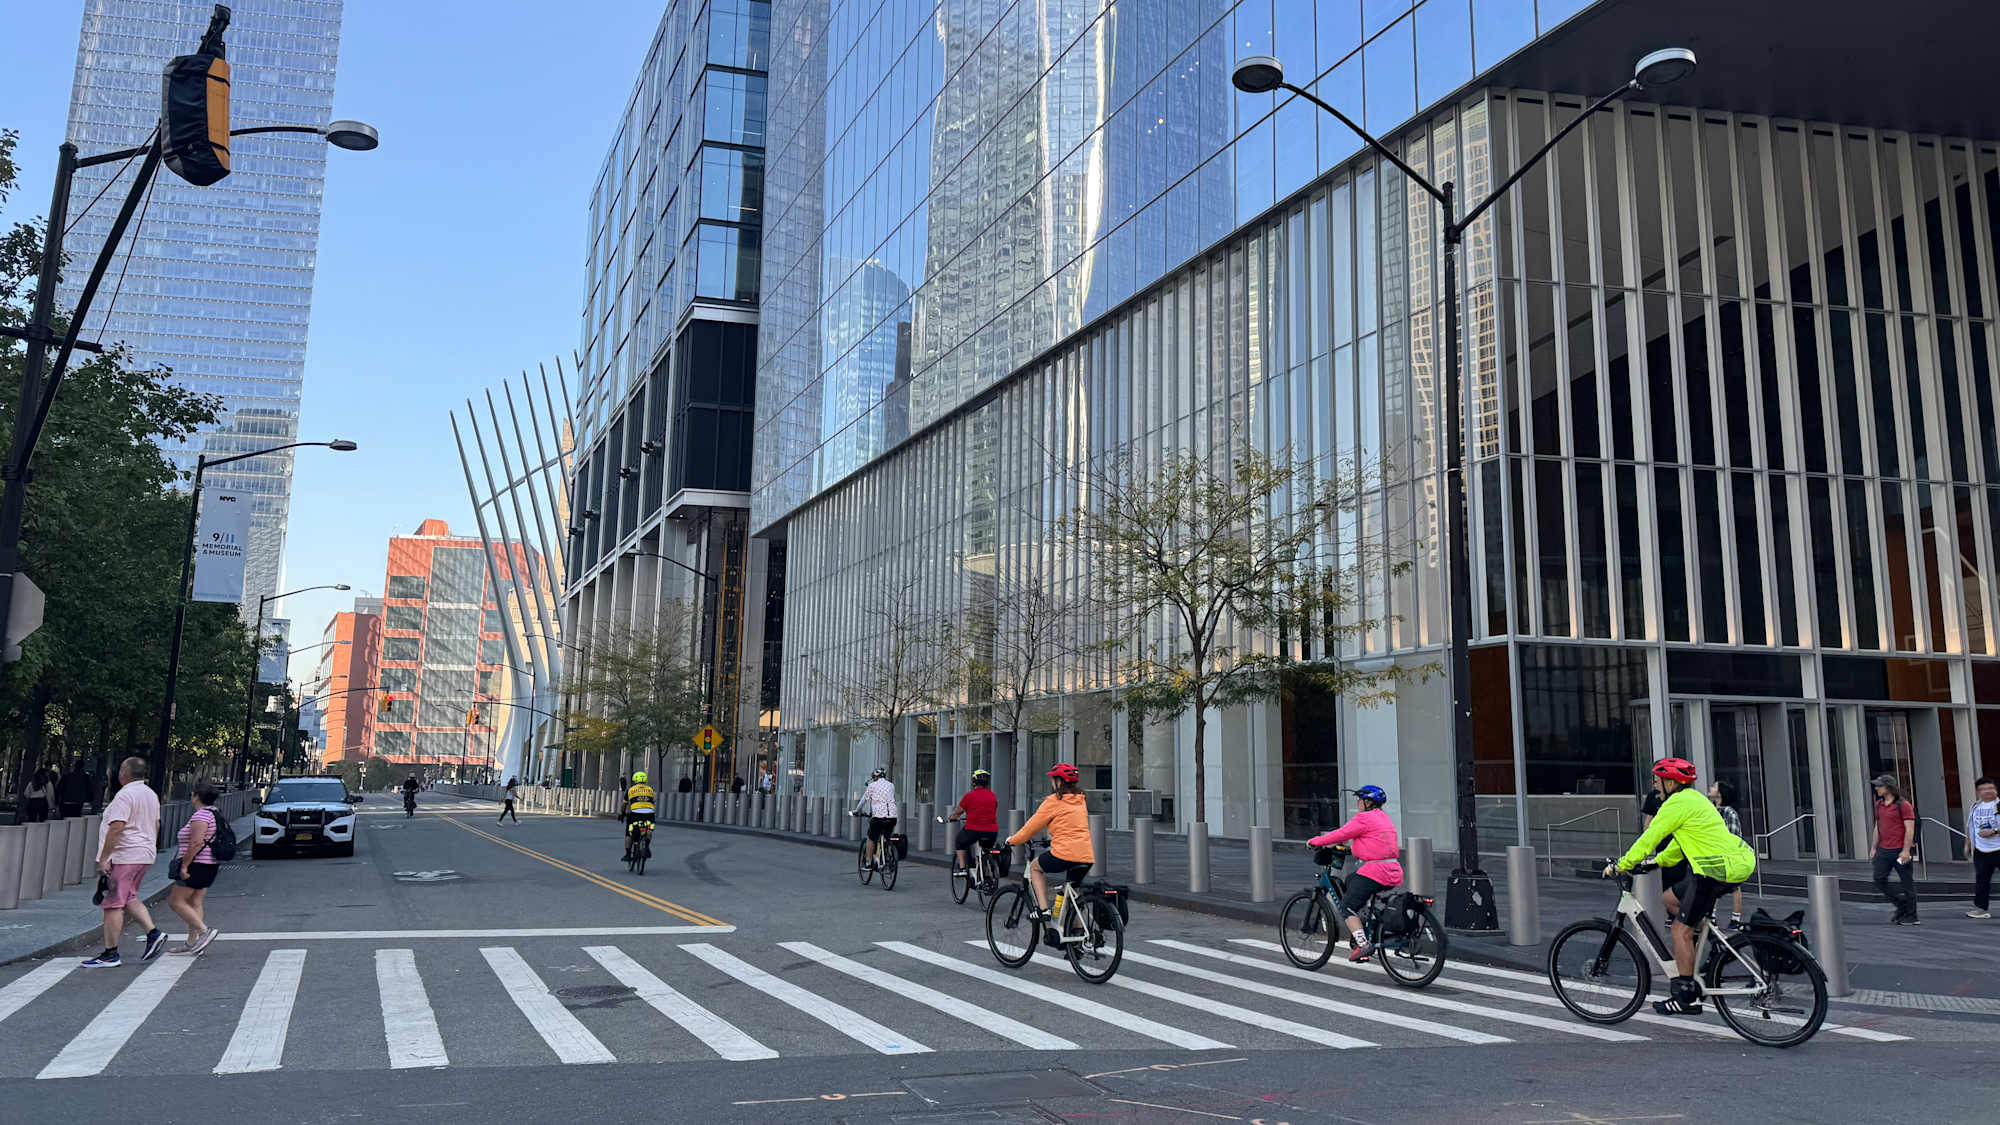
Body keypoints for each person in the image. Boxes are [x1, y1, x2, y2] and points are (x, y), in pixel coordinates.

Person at [1604, 757, 1756, 1015]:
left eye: (1658, 780)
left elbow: (1649, 838)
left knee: (1679, 931)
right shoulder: (1695, 799)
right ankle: (1707, 945)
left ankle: (1687, 998)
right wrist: (1657, 862)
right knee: (1669, 899)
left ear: (1671, 783)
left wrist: (1622, 864)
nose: (1655, 785)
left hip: (1714, 870)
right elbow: (1680, 842)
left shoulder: (1675, 804)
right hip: (1737, 861)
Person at [84, 757, 165, 967]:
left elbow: (117, 827)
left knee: (112, 903)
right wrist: (150, 845)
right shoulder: (150, 794)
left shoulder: (125, 795)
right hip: (143, 853)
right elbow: (156, 824)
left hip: (125, 854)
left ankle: (111, 953)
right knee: (128, 896)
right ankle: (153, 933)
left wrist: (104, 858)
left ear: (124, 773)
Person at [1309, 785, 1404, 962]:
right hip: (1393, 870)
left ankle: (1363, 945)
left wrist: (1316, 841)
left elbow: (1342, 833)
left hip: (1376, 871)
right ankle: (1364, 921)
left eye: (1359, 800)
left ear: (1367, 802)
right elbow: (1373, 842)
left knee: (1347, 906)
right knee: (1351, 879)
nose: (1358, 803)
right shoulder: (1384, 818)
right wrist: (1353, 849)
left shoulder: (1364, 818)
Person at [1002, 764, 1094, 935]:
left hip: (1064, 854)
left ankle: (1043, 909)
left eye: (1053, 780)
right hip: (1086, 855)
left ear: (1059, 782)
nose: (1052, 783)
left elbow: (1030, 828)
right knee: (1072, 893)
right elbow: (1071, 826)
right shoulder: (1081, 800)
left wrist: (1012, 841)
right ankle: (1080, 935)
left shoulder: (1053, 801)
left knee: (1035, 868)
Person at [166, 781, 223, 955]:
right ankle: (192, 941)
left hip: (196, 864)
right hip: (209, 864)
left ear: (196, 796)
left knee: (175, 901)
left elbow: (196, 842)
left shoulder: (201, 815)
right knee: (194, 901)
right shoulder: (214, 812)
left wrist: (184, 865)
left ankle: (204, 932)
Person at [1869, 775, 1919, 925]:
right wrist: (1873, 847)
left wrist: (1906, 851)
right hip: (1884, 850)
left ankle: (1912, 915)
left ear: (1889, 787)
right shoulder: (1878, 805)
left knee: (1906, 882)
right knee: (1879, 878)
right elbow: (1878, 826)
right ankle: (1901, 905)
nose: (1876, 788)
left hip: (1900, 850)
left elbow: (1910, 829)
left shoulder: (1903, 805)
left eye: (1879, 786)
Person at [1707, 779, 1747, 926]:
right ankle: (1711, 915)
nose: (1710, 788)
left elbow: (1734, 835)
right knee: (1712, 884)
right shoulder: (1712, 810)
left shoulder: (1729, 812)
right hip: (1714, 854)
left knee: (1734, 887)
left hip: (1729, 855)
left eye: (1714, 787)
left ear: (1720, 793)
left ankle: (1735, 919)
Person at [946, 769, 1000, 876]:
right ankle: (987, 874)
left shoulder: (969, 796)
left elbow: (958, 812)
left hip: (973, 830)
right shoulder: (992, 796)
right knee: (986, 850)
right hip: (992, 831)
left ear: (974, 782)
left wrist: (952, 818)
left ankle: (962, 868)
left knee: (960, 841)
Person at [1967, 776, 1999, 919]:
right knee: (1982, 880)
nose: (1988, 791)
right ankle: (1981, 908)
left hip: (1998, 847)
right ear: (1978, 792)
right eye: (1984, 789)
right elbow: (1971, 826)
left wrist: (1994, 831)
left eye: (1991, 788)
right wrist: (1968, 844)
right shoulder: (1975, 806)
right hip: (1981, 849)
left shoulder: (1998, 805)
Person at [856, 766, 898, 870]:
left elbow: (864, 799)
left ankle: (868, 863)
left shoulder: (872, 786)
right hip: (892, 817)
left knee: (871, 838)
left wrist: (856, 810)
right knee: (887, 836)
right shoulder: (891, 785)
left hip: (878, 817)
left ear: (875, 777)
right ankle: (886, 855)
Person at [623, 771, 656, 860]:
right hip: (649, 813)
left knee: (629, 832)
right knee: (650, 828)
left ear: (634, 780)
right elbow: (653, 801)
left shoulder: (631, 790)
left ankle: (628, 854)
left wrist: (622, 814)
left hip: (635, 813)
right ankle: (647, 847)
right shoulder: (650, 789)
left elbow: (625, 804)